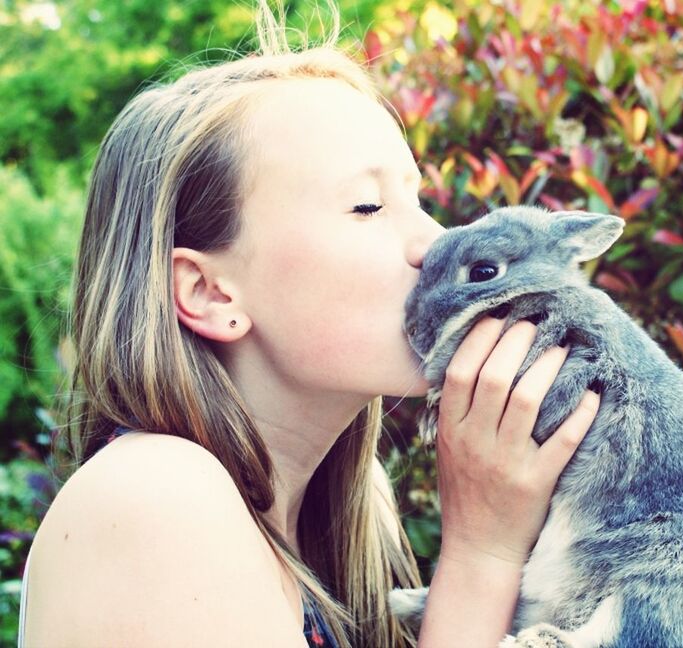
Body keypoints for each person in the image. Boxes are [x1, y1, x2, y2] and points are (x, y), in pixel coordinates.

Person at [18, 2, 601, 646]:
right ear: (209, 293)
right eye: (368, 205)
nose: (437, 244)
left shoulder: (325, 536)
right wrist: (482, 551)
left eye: (419, 201)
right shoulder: (154, 495)